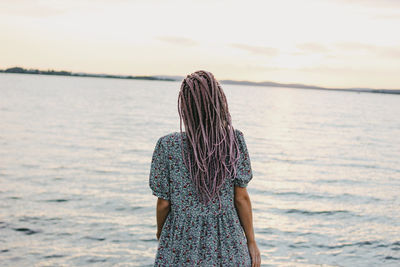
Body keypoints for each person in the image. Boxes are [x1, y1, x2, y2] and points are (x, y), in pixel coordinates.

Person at [149, 70, 261, 266]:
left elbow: (164, 203)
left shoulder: (167, 145)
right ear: (218, 102)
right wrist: (251, 241)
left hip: (180, 241)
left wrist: (161, 232)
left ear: (184, 106)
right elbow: (241, 197)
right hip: (228, 241)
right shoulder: (233, 140)